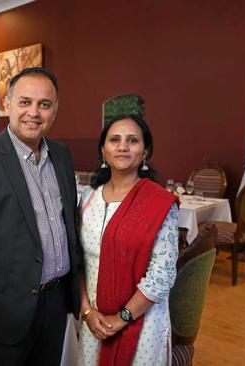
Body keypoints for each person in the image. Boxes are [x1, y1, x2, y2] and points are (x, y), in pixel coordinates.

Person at [0, 67, 82, 365]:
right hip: (5, 310)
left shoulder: (62, 156)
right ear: (6, 104)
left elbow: (68, 227)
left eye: (44, 104)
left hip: (56, 300)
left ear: (55, 110)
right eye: (25, 102)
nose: (34, 112)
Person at [77, 114, 178, 365]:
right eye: (114, 140)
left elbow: (161, 274)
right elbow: (76, 260)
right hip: (93, 320)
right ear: (103, 150)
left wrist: (121, 318)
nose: (122, 146)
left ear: (145, 151)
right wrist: (87, 311)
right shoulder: (87, 199)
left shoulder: (159, 203)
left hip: (142, 321)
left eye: (132, 140)